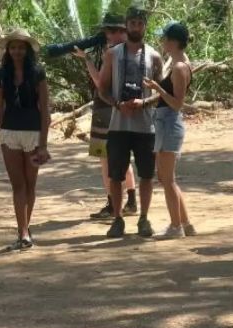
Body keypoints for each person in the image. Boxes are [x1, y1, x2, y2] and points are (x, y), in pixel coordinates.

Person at [98, 6, 164, 238]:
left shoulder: (154, 55)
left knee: (146, 175)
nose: (136, 27)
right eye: (132, 23)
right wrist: (118, 104)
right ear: (126, 25)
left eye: (140, 23)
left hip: (146, 126)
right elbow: (102, 89)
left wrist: (143, 103)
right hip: (118, 125)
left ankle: (144, 219)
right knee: (115, 175)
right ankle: (117, 219)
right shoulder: (113, 54)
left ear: (145, 26)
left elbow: (162, 92)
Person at [71, 14, 139, 220]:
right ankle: (131, 201)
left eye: (114, 31)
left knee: (105, 159)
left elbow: (100, 82)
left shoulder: (111, 54)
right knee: (122, 158)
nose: (110, 35)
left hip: (106, 109)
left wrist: (88, 60)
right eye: (109, 31)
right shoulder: (134, 52)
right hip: (122, 109)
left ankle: (112, 203)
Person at [0, 29, 51, 250]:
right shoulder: (1, 74)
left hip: (33, 134)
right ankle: (23, 232)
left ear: (27, 50)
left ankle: (26, 226)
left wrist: (43, 144)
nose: (17, 51)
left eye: (21, 47)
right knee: (18, 185)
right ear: (8, 50)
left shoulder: (37, 73)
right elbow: (0, 109)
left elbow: (45, 110)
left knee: (30, 184)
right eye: (13, 47)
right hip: (9, 134)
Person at [143, 22, 196, 239]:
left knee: (167, 179)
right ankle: (185, 223)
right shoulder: (177, 63)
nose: (162, 42)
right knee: (168, 178)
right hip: (165, 121)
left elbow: (177, 103)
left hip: (169, 121)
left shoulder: (180, 67)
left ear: (173, 41)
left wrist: (157, 89)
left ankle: (176, 227)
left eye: (165, 38)